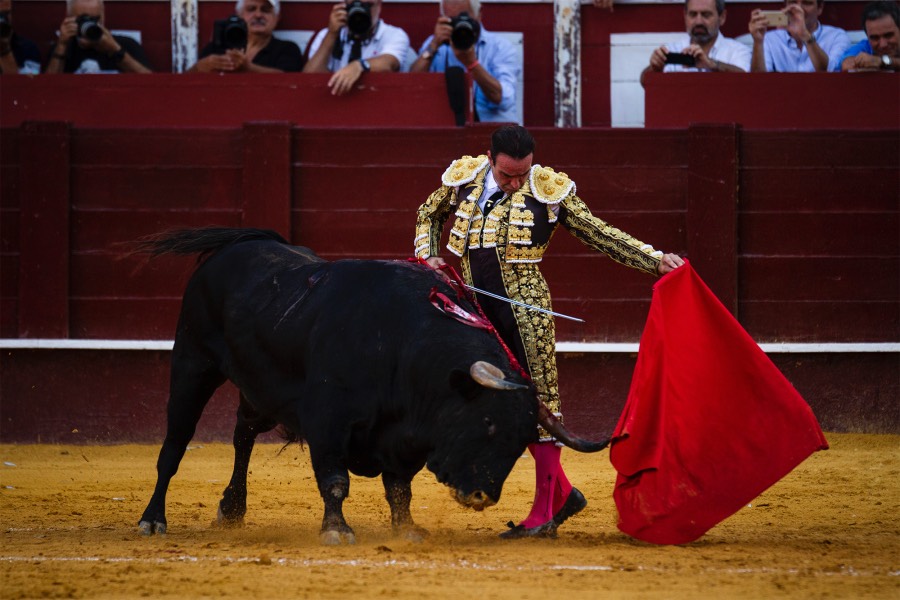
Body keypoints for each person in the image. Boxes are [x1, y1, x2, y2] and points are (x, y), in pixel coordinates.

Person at [414, 125, 684, 539]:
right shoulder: (465, 178)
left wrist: (654, 260)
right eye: (507, 175)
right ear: (490, 160)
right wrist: (428, 256)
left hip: (527, 313)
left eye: (522, 173)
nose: (516, 182)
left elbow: (599, 232)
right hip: (476, 311)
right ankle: (561, 495)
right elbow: (428, 213)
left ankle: (544, 512)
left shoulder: (547, 189)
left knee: (539, 405)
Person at [409, 0, 520, 124]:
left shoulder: (500, 47)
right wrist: (433, 45)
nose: (460, 24)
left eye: (465, 17)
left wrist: (472, 64)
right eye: (453, 19)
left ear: (479, 14)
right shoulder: (436, 43)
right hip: (446, 130)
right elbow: (410, 87)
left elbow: (504, 99)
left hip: (494, 131)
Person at [303, 0, 409, 96]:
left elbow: (389, 63)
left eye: (367, 5)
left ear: (379, 5)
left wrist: (359, 66)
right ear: (345, 5)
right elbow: (308, 78)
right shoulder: (326, 35)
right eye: (355, 4)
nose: (361, 11)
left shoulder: (394, 34)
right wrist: (332, 34)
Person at [641, 0, 751, 87]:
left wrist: (711, 65)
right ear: (685, 16)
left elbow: (748, 82)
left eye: (706, 15)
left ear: (722, 17)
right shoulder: (671, 50)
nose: (699, 21)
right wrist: (655, 68)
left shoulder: (738, 51)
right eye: (693, 14)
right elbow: (644, 82)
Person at [189, 0, 303, 73]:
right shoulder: (217, 47)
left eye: (265, 10)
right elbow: (185, 80)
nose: (258, 15)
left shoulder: (287, 49)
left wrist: (247, 68)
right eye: (251, 9)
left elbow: (287, 79)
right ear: (239, 15)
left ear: (277, 17)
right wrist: (201, 66)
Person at [45, 0, 151, 74]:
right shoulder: (62, 49)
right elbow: (44, 90)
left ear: (103, 17)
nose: (88, 25)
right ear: (69, 18)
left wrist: (115, 50)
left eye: (94, 19)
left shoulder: (127, 45)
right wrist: (62, 46)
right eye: (82, 20)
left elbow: (152, 84)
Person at [749, 0, 850, 72]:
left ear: (820, 8)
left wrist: (805, 35)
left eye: (807, 3)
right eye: (793, 2)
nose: (799, 9)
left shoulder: (837, 36)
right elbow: (758, 81)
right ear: (785, 7)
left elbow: (830, 74)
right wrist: (758, 42)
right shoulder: (769, 39)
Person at [840, 1, 899, 72]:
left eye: (888, 35)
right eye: (875, 38)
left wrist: (882, 62)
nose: (883, 44)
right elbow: (847, 65)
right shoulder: (865, 46)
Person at [0, 0, 40, 74]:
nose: (2, 20)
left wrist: (4, 51)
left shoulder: (28, 47)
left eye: (6, 14)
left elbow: (27, 84)